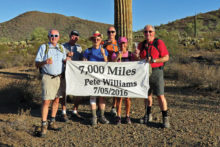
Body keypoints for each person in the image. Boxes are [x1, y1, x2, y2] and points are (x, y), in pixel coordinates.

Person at [136, 25, 170, 128]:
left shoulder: (158, 42)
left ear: (154, 32)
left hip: (156, 71)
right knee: (147, 95)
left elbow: (166, 57)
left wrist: (154, 60)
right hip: (145, 72)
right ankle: (148, 115)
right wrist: (136, 55)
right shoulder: (141, 45)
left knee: (160, 95)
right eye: (146, 32)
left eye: (150, 31)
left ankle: (165, 118)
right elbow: (139, 59)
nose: (148, 33)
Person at [35, 29, 67, 137]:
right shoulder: (44, 47)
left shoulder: (62, 48)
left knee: (57, 100)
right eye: (51, 35)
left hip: (59, 78)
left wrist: (68, 59)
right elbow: (36, 64)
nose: (53, 37)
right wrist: (45, 62)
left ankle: (52, 122)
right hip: (48, 77)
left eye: (56, 35)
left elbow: (65, 61)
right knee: (46, 102)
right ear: (48, 37)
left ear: (59, 37)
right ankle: (43, 125)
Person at [83, 31, 109, 126]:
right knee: (93, 96)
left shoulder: (104, 50)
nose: (96, 40)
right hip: (91, 77)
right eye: (94, 39)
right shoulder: (88, 51)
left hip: (102, 77)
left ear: (100, 40)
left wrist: (104, 55)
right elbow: (84, 63)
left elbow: (107, 63)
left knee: (102, 96)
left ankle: (101, 116)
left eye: (98, 39)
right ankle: (94, 116)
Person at [60, 30, 83, 122]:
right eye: (73, 35)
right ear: (69, 36)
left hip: (76, 73)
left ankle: (75, 110)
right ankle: (64, 112)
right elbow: (59, 58)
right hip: (65, 71)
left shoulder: (79, 47)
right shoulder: (62, 46)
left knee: (78, 92)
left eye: (76, 36)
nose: (74, 37)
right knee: (65, 92)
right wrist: (66, 56)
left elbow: (81, 59)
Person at [111, 37, 133, 124]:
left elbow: (137, 63)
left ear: (126, 44)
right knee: (119, 98)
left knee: (127, 98)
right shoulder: (115, 54)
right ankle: (118, 116)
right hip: (118, 79)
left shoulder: (130, 54)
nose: (122, 45)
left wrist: (137, 55)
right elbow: (111, 65)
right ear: (118, 45)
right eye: (120, 43)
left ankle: (127, 116)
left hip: (128, 79)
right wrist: (117, 57)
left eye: (124, 43)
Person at [102, 26, 119, 116]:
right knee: (103, 87)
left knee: (115, 87)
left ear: (115, 33)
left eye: (112, 32)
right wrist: (105, 44)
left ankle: (114, 107)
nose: (111, 34)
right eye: (109, 32)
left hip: (116, 68)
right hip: (105, 68)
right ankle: (101, 108)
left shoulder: (118, 43)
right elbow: (97, 48)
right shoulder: (103, 42)